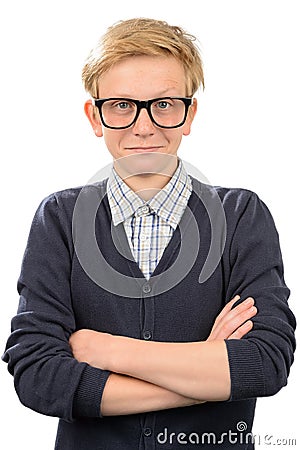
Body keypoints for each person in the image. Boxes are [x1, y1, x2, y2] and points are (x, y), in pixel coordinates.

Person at [2, 18, 296, 450]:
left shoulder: (241, 215)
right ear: (95, 115)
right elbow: (39, 377)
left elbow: (265, 363)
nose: (144, 126)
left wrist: (104, 351)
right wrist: (205, 370)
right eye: (121, 105)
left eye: (164, 104)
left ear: (189, 113)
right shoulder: (60, 218)